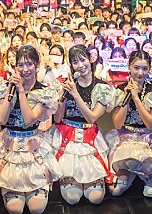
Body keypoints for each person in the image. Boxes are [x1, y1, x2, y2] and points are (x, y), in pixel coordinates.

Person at [0, 45, 60, 214]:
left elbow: (29, 120)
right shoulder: (5, 87)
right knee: (15, 209)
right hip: (9, 142)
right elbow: (2, 119)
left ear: (37, 65)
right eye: (20, 65)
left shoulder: (44, 92)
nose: (25, 69)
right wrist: (10, 90)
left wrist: (21, 91)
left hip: (32, 142)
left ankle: (37, 186)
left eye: (29, 64)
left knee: (37, 208)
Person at [49, 45, 116, 205]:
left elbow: (91, 117)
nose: (80, 65)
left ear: (90, 59)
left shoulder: (101, 87)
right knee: (72, 199)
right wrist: (63, 95)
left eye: (83, 60)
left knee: (96, 198)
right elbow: (57, 118)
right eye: (75, 62)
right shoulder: (66, 85)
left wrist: (75, 94)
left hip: (89, 137)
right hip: (66, 137)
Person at [105, 50, 152, 198]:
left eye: (144, 69)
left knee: (150, 193)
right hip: (125, 136)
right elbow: (118, 124)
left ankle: (148, 176)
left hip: (147, 138)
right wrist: (127, 98)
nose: (140, 73)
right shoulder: (120, 91)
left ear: (149, 69)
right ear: (129, 66)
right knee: (116, 191)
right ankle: (132, 173)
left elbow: (150, 124)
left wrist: (136, 98)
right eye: (136, 68)